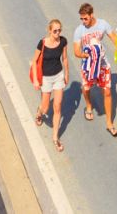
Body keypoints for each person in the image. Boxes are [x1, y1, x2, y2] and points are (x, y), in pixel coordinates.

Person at [72, 3, 117, 137]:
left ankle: (109, 124)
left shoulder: (102, 24)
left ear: (91, 15)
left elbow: (113, 37)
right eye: (81, 19)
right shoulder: (79, 31)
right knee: (86, 88)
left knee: (107, 92)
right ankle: (88, 106)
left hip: (103, 64)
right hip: (88, 65)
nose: (83, 22)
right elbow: (76, 51)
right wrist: (85, 55)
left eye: (85, 19)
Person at [33, 20, 69, 151]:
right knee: (45, 107)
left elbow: (64, 58)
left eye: (59, 30)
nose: (58, 33)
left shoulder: (63, 41)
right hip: (46, 79)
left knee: (58, 106)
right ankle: (39, 113)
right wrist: (36, 81)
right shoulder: (42, 43)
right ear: (49, 30)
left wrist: (66, 74)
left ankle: (55, 137)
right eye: (55, 31)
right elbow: (34, 62)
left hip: (58, 76)